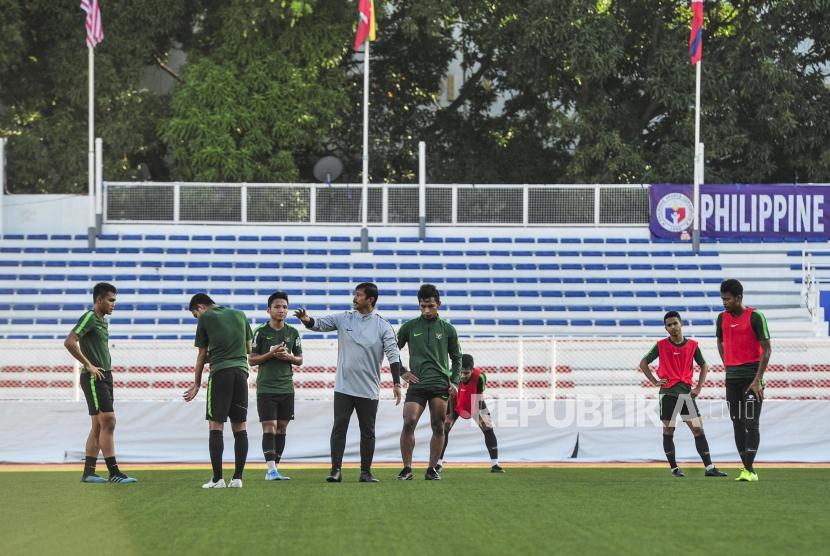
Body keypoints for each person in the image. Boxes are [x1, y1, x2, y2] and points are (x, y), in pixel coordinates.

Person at [294, 282, 402, 483]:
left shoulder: (383, 326)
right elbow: (320, 324)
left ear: (370, 299)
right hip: (343, 386)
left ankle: (366, 472)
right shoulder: (344, 318)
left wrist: (396, 383)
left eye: (359, 295)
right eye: (355, 294)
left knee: (367, 431)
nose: (354, 298)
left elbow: (393, 355)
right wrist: (306, 319)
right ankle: (335, 470)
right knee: (339, 427)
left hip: (369, 389)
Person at [63, 282, 137, 484]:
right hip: (95, 378)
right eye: (111, 300)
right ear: (99, 300)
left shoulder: (102, 321)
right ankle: (114, 472)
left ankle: (89, 473)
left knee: (98, 426)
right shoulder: (90, 317)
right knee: (109, 422)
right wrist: (88, 365)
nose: (114, 304)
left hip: (105, 376)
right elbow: (69, 341)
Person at [639, 311, 727, 478]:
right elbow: (643, 363)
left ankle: (710, 468)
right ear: (666, 328)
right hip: (668, 394)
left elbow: (704, 365)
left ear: (681, 324)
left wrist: (699, 388)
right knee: (669, 431)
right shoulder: (661, 345)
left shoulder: (692, 345)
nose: (672, 327)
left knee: (698, 430)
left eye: (675, 323)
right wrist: (655, 381)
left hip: (686, 394)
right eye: (669, 325)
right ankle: (674, 468)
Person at [183, 293, 253, 489]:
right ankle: (237, 478)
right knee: (240, 426)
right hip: (241, 373)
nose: (198, 318)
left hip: (220, 373)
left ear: (200, 307)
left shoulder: (206, 317)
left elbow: (202, 354)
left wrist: (196, 383)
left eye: (195, 315)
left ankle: (217, 479)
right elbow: (248, 348)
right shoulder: (240, 314)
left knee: (216, 425)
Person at [396, 284, 462, 480]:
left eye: (430, 306)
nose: (426, 310)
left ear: (438, 304)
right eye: (423, 306)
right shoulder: (408, 327)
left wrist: (455, 381)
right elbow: (391, 351)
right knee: (409, 421)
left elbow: (457, 358)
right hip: (417, 384)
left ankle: (432, 469)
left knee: (438, 425)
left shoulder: (448, 329)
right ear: (419, 305)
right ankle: (407, 469)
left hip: (439, 384)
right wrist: (402, 372)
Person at [717, 279, 771, 482]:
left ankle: (749, 470)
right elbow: (720, 342)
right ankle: (747, 469)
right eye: (722, 299)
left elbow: (767, 349)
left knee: (750, 422)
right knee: (736, 422)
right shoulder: (721, 318)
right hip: (732, 379)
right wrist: (729, 365)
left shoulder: (756, 317)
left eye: (728, 299)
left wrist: (758, 380)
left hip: (751, 379)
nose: (724, 302)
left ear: (739, 297)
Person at [249, 291, 303, 481]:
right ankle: (270, 470)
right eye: (278, 307)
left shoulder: (293, 332)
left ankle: (275, 469)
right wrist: (271, 354)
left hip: (286, 388)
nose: (282, 310)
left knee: (281, 428)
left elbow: (299, 360)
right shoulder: (260, 332)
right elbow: (252, 360)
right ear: (269, 310)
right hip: (266, 388)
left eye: (285, 307)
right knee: (269, 427)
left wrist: (288, 357)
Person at [438, 353, 504, 474]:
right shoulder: (451, 374)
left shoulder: (480, 377)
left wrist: (477, 415)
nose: (463, 376)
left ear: (472, 370)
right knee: (444, 429)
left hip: (475, 401)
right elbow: (450, 396)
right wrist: (451, 415)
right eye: (461, 373)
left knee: (488, 428)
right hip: (455, 401)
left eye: (466, 373)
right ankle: (438, 464)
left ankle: (495, 464)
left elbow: (478, 396)